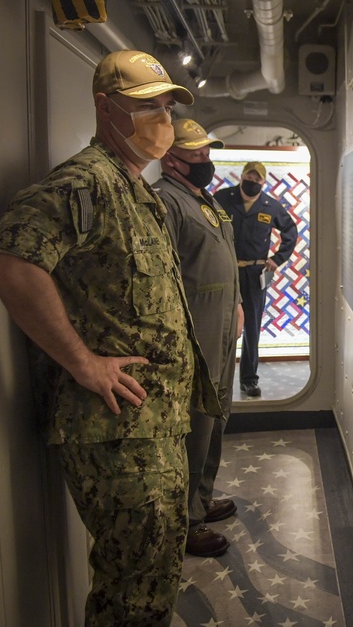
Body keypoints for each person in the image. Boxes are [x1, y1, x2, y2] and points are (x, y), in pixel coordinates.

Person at [0, 50, 221, 625]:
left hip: (153, 423)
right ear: (104, 108)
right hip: (117, 432)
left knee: (153, 575)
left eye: (166, 107)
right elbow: (9, 263)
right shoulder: (85, 181)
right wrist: (83, 362)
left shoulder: (135, 189)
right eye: (145, 106)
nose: (161, 119)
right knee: (133, 587)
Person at [153, 119, 242, 557]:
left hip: (224, 324)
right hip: (195, 329)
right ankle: (185, 522)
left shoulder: (205, 200)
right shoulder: (165, 202)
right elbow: (162, 276)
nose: (206, 161)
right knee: (195, 424)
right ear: (171, 160)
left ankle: (201, 500)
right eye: (197, 155)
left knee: (218, 415)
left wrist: (238, 305)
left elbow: (223, 257)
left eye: (208, 153)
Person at [215, 162, 298, 398]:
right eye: (249, 177)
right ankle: (217, 378)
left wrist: (278, 259)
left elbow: (290, 232)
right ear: (241, 176)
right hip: (226, 271)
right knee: (221, 325)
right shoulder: (222, 198)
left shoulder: (270, 206)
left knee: (251, 327)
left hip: (254, 274)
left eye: (257, 179)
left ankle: (249, 380)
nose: (252, 182)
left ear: (263, 182)